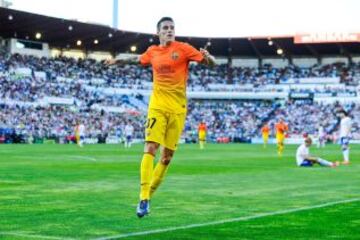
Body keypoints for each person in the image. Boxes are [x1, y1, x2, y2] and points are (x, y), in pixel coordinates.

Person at [108, 17, 215, 218]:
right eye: (165, 28)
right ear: (158, 32)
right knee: (150, 147)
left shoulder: (184, 48)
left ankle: (148, 196)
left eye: (172, 28)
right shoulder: (152, 52)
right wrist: (116, 60)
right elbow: (135, 58)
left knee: (166, 157)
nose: (169, 31)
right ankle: (144, 197)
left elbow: (212, 64)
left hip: (178, 109)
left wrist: (209, 57)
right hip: (157, 106)